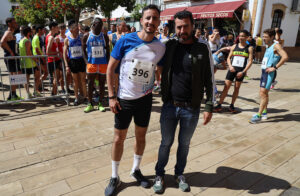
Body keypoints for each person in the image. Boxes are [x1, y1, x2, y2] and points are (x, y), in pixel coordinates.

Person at [104, 5, 165, 196]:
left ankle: (135, 170)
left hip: (145, 101)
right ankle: (115, 176)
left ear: (158, 22)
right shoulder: (125, 40)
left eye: (155, 18)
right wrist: (112, 96)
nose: (151, 22)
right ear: (141, 20)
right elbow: (110, 69)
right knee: (118, 138)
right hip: (124, 99)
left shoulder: (160, 47)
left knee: (140, 137)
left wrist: (156, 81)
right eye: (148, 18)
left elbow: (159, 70)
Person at [153, 10, 213, 194]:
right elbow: (149, 56)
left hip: (191, 109)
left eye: (185, 26)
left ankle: (179, 174)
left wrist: (209, 105)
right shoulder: (169, 46)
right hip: (170, 106)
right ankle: (159, 175)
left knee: (184, 144)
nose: (182, 30)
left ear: (192, 25)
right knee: (165, 143)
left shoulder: (203, 48)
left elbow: (209, 78)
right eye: (178, 27)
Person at [250, 29, 288, 123]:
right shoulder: (268, 45)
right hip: (264, 72)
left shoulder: (276, 46)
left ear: (272, 37)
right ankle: (264, 112)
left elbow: (285, 57)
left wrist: (274, 67)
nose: (263, 38)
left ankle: (258, 115)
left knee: (263, 93)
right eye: (263, 36)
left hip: (270, 73)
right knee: (263, 93)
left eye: (266, 37)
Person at [214, 30, 253, 113]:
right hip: (232, 70)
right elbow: (228, 58)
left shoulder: (249, 48)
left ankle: (232, 105)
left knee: (236, 88)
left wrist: (243, 71)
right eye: (240, 35)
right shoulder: (234, 46)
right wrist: (230, 66)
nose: (241, 37)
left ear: (246, 37)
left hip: (240, 72)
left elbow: (250, 61)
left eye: (243, 36)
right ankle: (219, 105)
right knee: (226, 87)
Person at [82, 18, 109, 113]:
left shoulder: (104, 36)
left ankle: (100, 103)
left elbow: (107, 49)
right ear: (93, 25)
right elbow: (83, 49)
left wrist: (108, 62)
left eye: (101, 25)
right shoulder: (87, 35)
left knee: (102, 84)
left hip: (102, 63)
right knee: (90, 84)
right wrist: (86, 61)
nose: (100, 27)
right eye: (98, 25)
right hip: (91, 63)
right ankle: (90, 103)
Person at [63, 19, 87, 106]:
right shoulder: (67, 40)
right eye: (75, 28)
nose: (77, 29)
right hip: (73, 61)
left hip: (80, 61)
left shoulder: (80, 38)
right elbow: (64, 53)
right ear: (71, 29)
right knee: (75, 81)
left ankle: (85, 97)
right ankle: (76, 98)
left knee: (83, 80)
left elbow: (83, 52)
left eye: (77, 28)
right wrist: (66, 65)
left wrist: (86, 62)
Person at [0, 17, 21, 100]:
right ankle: (12, 96)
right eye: (14, 22)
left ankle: (13, 95)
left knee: (16, 77)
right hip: (10, 58)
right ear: (9, 24)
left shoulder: (11, 33)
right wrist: (11, 53)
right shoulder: (8, 32)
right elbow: (2, 42)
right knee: (15, 77)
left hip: (13, 58)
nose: (16, 23)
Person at [19, 26, 41, 98]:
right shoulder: (27, 41)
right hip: (30, 63)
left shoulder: (21, 40)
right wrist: (36, 60)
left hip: (24, 63)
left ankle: (29, 93)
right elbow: (29, 53)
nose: (32, 33)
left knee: (27, 79)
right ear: (28, 33)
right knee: (37, 76)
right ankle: (35, 91)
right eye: (31, 32)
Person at [46, 21, 60, 96]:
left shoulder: (50, 36)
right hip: (52, 60)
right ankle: (54, 94)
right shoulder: (50, 37)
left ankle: (54, 93)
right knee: (56, 78)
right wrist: (57, 54)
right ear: (52, 28)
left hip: (54, 60)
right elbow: (48, 52)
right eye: (57, 27)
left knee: (56, 78)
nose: (58, 29)